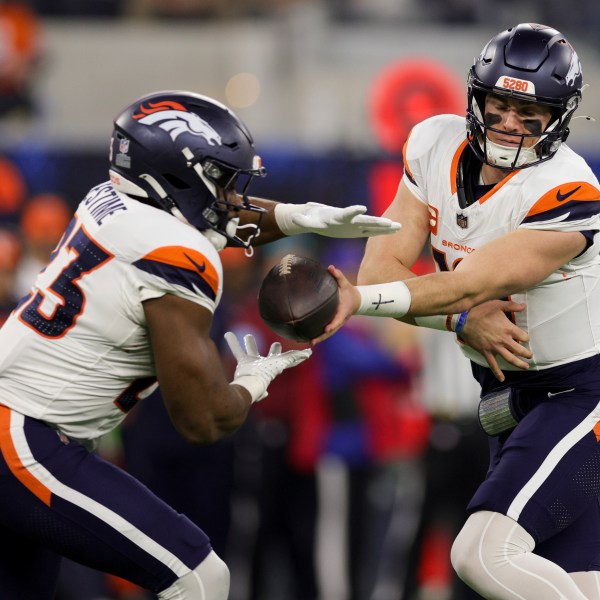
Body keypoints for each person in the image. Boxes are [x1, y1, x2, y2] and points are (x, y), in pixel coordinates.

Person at [0, 89, 400, 600]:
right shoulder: (176, 253)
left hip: (24, 425)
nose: (233, 195)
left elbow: (213, 217)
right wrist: (249, 386)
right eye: (221, 179)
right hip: (22, 438)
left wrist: (295, 216)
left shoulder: (109, 197)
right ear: (176, 178)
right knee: (198, 575)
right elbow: (203, 420)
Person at [316, 23, 600, 600]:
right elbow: (384, 269)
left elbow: (467, 284)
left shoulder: (568, 187)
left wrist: (359, 302)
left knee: (482, 553)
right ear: (478, 97)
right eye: (502, 103)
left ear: (559, 118)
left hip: (580, 393)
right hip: (506, 395)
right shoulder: (433, 144)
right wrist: (461, 320)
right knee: (572, 583)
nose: (511, 124)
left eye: (532, 113)